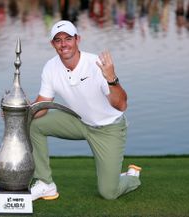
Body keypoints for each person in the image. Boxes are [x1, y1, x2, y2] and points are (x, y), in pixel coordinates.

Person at [29, 20, 141, 201]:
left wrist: (112, 78)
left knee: (109, 193)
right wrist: (18, 112)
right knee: (33, 124)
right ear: (53, 44)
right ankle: (45, 184)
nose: (63, 44)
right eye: (58, 40)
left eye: (68, 38)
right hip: (79, 121)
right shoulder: (50, 67)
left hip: (108, 129)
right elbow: (41, 106)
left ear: (77, 39)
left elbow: (121, 106)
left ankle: (131, 178)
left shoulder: (96, 64)